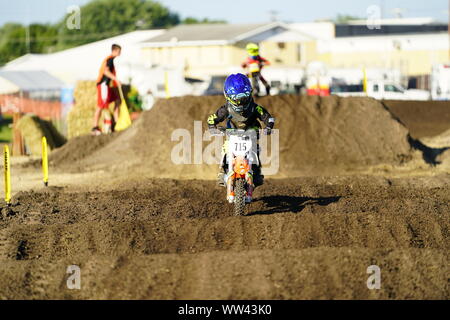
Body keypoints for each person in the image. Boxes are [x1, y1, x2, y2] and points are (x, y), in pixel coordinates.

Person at [207, 73, 275, 202]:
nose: (240, 102)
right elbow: (213, 118)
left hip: (251, 134)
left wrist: (268, 127)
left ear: (249, 94)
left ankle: (256, 172)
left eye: (243, 98)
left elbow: (268, 117)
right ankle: (222, 170)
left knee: (255, 152)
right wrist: (212, 127)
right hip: (232, 134)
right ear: (228, 96)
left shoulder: (255, 108)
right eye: (237, 99)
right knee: (226, 150)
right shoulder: (225, 109)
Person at [92, 44, 122, 135]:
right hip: (103, 85)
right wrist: (115, 79)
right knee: (101, 106)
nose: (120, 53)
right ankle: (95, 127)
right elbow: (106, 71)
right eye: (119, 51)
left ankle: (117, 122)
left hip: (107, 86)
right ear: (114, 51)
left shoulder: (111, 60)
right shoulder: (109, 59)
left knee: (117, 100)